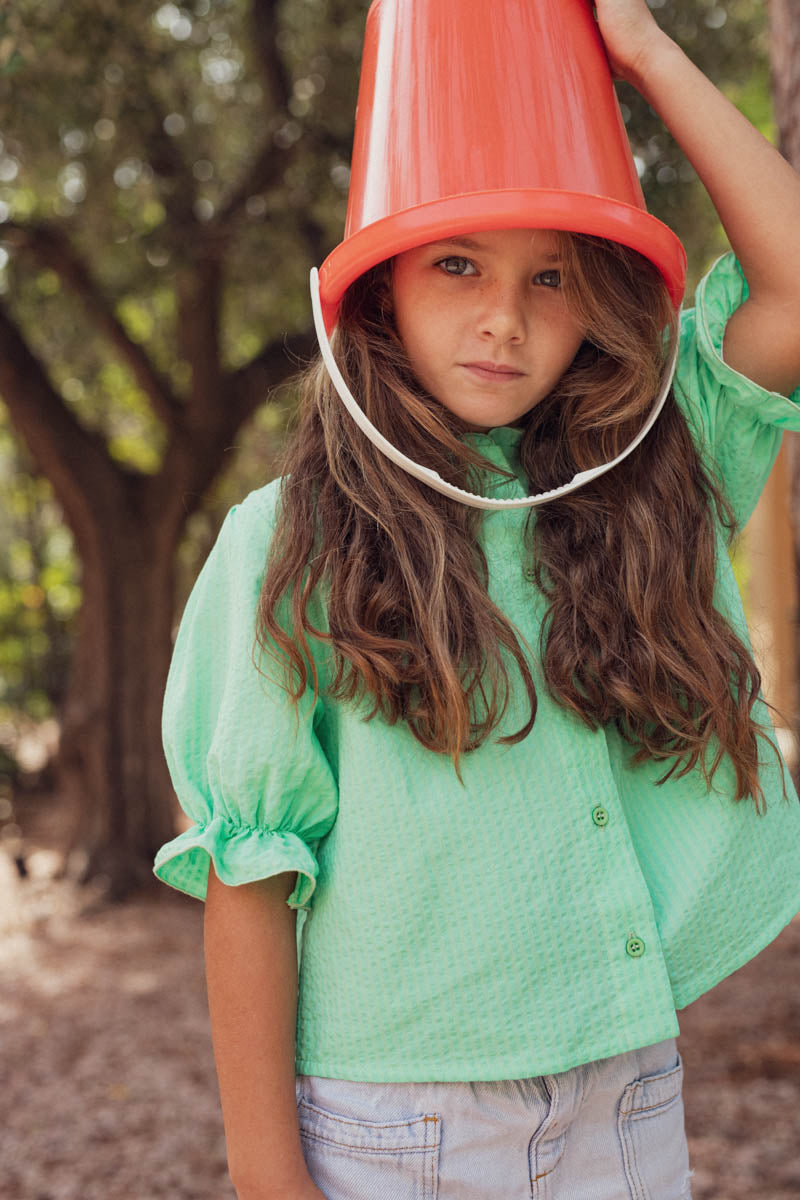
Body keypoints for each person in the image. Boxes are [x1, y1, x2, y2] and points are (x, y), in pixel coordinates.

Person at [153, 2, 800, 1198]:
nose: (503, 319)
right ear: (380, 284)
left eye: (548, 277)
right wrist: (265, 1176)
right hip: (396, 1121)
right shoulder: (283, 541)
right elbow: (249, 866)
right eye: (457, 263)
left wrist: (647, 53)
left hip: (625, 1090)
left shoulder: (648, 478)